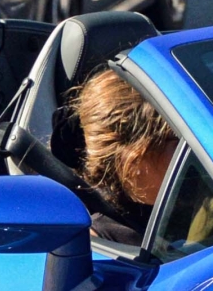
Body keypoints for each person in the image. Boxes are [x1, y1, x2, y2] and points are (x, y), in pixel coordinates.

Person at [72, 65, 183, 242]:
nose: (189, 148)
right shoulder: (104, 240)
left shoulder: (209, 198)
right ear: (134, 158)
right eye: (177, 139)